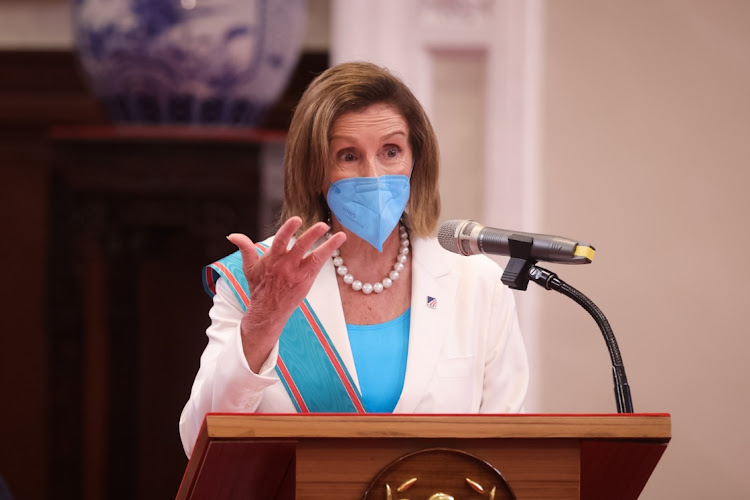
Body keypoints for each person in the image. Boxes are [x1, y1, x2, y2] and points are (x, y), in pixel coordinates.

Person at [179, 61, 529, 457]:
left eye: (391, 151)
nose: (373, 174)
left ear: (417, 161)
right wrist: (262, 322)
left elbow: (506, 447)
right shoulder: (258, 278)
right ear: (314, 170)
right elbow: (199, 441)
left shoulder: (476, 282)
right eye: (348, 156)